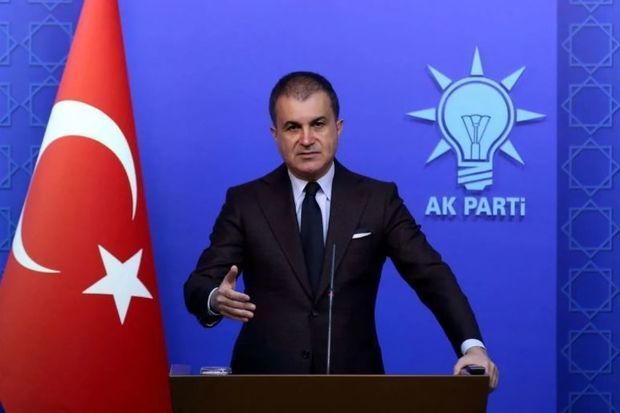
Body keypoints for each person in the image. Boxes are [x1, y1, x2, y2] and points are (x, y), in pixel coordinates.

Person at [184, 71, 498, 389]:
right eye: (293, 127)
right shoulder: (246, 202)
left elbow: (431, 275)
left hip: (355, 389)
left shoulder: (378, 200)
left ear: (338, 128)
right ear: (275, 135)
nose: (307, 139)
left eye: (318, 124)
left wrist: (472, 348)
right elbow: (199, 283)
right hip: (263, 390)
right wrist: (214, 298)